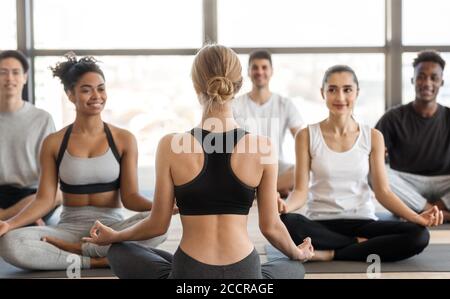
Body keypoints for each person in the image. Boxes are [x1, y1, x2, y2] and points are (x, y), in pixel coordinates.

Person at [83, 44, 314, 279]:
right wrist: (297, 253)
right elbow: (271, 227)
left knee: (120, 251)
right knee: (292, 267)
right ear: (238, 85)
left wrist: (115, 236)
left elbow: (157, 225)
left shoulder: (170, 145)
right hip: (245, 273)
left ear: (195, 85)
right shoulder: (263, 147)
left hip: (189, 271)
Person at [0, 53, 166, 270]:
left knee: (159, 223)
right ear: (70, 95)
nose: (96, 95)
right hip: (67, 230)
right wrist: (9, 224)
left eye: (101, 88)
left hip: (112, 228)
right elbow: (45, 199)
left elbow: (131, 198)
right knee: (10, 243)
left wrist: (161, 207)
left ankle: (81, 253)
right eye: (86, 90)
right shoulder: (54, 142)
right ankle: (98, 259)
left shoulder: (124, 139)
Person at [279, 65, 443, 262]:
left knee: (419, 235)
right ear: (323, 93)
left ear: (357, 92)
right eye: (332, 90)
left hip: (363, 221)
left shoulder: (373, 137)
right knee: (286, 222)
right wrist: (284, 208)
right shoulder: (305, 135)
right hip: (320, 223)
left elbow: (383, 192)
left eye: (347, 89)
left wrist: (417, 218)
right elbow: (300, 192)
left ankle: (331, 253)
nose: (340, 97)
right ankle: (358, 244)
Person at [376, 50, 450, 222]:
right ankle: (434, 213)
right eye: (421, 77)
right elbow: (372, 156)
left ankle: (427, 211)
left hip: (445, 182)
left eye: (434, 78)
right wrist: (378, 155)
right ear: (413, 80)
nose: (427, 83)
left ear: (442, 82)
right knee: (374, 173)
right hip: (407, 184)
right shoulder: (393, 117)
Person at [0, 50, 60, 225]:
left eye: (15, 72)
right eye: (3, 72)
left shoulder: (42, 118)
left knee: (58, 194)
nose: (9, 78)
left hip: (30, 195)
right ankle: (22, 220)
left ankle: (7, 218)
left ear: (25, 77)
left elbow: (52, 175)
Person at [233, 50, 303, 197]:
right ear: (248, 72)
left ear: (271, 71)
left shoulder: (285, 104)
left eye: (264, 67)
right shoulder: (236, 105)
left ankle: (258, 192)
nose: (260, 72)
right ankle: (273, 190)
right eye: (255, 67)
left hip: (276, 166)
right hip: (247, 167)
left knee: (301, 171)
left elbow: (301, 139)